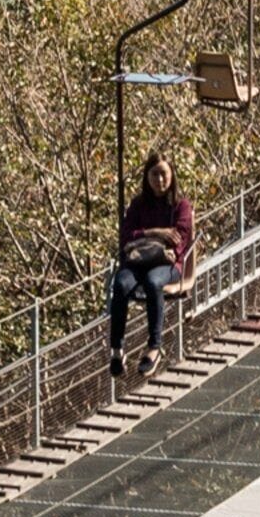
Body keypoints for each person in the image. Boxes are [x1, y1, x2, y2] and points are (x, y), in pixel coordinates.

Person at [103, 152, 195, 380]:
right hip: (138, 262)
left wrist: (144, 238)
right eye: (154, 175)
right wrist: (156, 233)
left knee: (154, 282)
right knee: (121, 283)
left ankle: (154, 346)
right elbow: (126, 236)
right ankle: (117, 350)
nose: (160, 180)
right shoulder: (138, 205)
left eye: (163, 174)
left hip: (167, 265)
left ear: (172, 175)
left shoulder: (180, 206)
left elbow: (180, 240)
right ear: (147, 177)